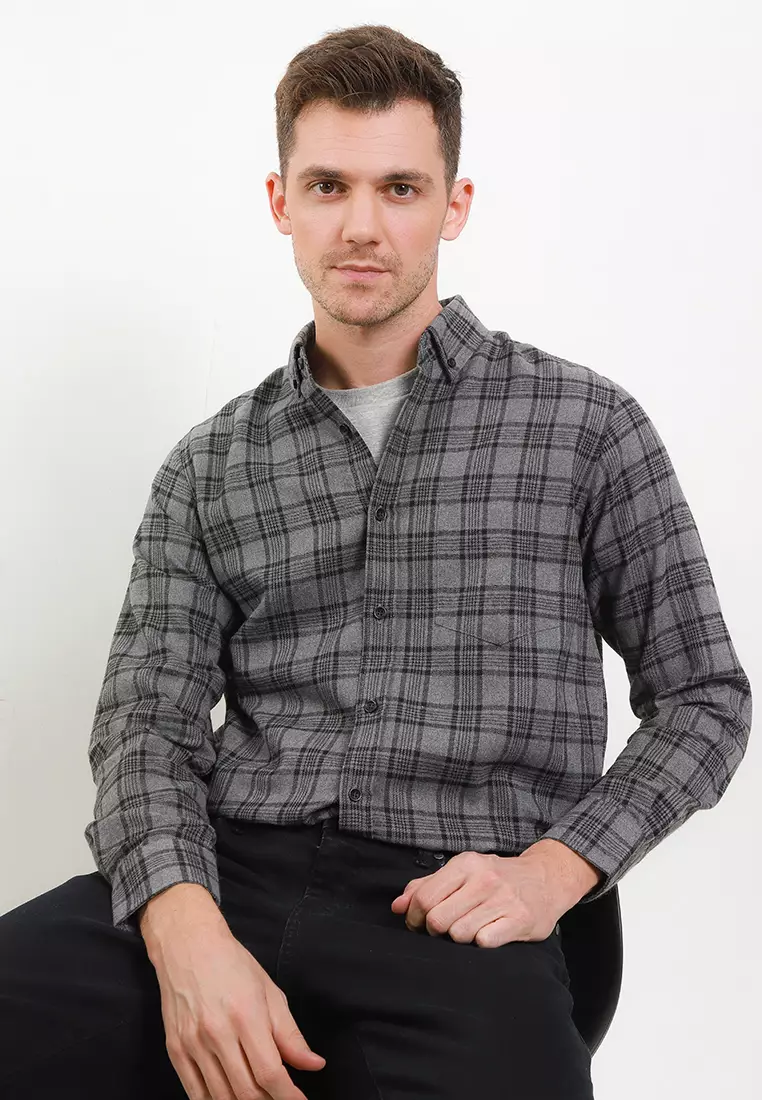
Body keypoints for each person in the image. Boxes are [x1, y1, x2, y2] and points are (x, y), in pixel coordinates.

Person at [0, 21, 752, 1100]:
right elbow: (144, 726)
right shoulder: (209, 465)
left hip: (459, 904)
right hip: (231, 873)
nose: (362, 225)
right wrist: (184, 930)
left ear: (455, 203)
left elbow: (705, 698)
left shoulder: (586, 428)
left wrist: (555, 871)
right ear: (281, 202)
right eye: (328, 186)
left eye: (400, 188)